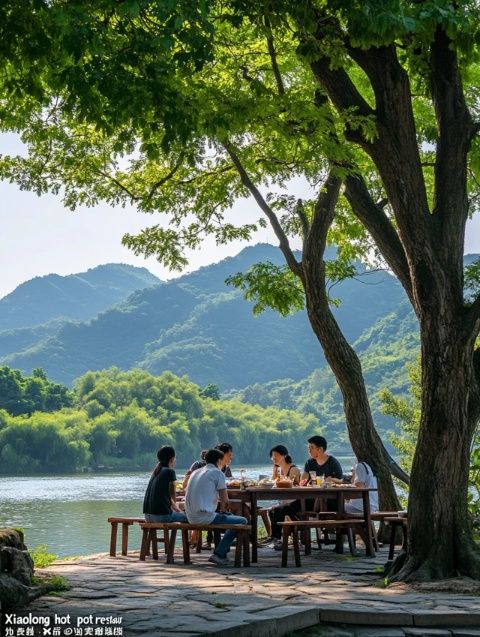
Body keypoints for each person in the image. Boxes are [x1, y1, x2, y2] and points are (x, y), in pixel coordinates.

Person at [269, 435, 343, 550]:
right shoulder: (310, 463)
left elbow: (341, 480)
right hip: (310, 499)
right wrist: (303, 482)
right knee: (278, 510)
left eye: (311, 447)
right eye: (308, 447)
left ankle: (292, 533)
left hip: (329, 501)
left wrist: (331, 479)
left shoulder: (332, 462)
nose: (309, 450)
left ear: (320, 449)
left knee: (286, 509)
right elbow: (303, 482)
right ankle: (277, 539)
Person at [185, 448, 248, 567]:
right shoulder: (217, 473)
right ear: (219, 460)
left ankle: (221, 553)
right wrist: (225, 510)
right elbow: (225, 501)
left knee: (225, 518)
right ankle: (219, 554)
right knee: (242, 521)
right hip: (204, 517)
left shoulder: (195, 472)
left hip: (190, 516)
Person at [261, 445, 300, 544]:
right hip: (285, 501)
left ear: (284, 455)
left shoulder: (293, 469)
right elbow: (273, 484)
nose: (273, 458)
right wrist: (274, 472)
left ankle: (277, 537)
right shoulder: (279, 470)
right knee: (272, 511)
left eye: (276, 455)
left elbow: (294, 488)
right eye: (272, 456)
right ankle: (275, 537)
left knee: (279, 510)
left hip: (296, 501)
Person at [143, 446, 188, 523]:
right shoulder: (170, 472)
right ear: (172, 459)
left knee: (180, 515)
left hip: (147, 516)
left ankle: (173, 535)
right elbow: (174, 494)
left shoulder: (155, 472)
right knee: (190, 518)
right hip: (161, 517)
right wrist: (180, 511)